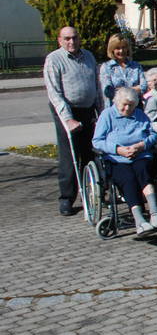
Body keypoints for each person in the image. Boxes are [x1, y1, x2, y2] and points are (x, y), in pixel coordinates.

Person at [44, 26, 102, 216]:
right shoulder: (54, 59)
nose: (71, 42)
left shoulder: (88, 56)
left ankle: (92, 193)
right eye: (67, 38)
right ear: (60, 40)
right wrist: (68, 118)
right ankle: (67, 198)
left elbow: (96, 85)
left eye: (75, 38)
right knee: (69, 155)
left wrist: (100, 112)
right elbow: (54, 93)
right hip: (66, 112)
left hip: (87, 110)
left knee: (89, 153)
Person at [92, 87, 157, 234]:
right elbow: (97, 141)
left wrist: (142, 145)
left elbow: (153, 134)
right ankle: (140, 220)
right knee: (128, 179)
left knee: (144, 172)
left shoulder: (140, 115)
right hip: (116, 158)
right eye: (124, 104)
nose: (127, 108)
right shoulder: (107, 115)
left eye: (131, 105)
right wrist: (118, 149)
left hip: (140, 155)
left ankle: (155, 213)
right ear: (116, 102)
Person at [99, 34, 147, 106]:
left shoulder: (136, 66)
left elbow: (144, 87)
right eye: (117, 48)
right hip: (115, 110)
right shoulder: (106, 67)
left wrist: (121, 90)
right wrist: (135, 89)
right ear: (112, 49)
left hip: (135, 109)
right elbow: (108, 91)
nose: (121, 51)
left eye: (124, 47)